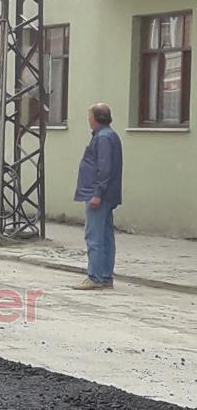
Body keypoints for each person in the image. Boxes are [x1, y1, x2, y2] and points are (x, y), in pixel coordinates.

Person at [72, 103, 123, 291]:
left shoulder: (102, 138)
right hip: (108, 194)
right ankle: (106, 276)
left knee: (94, 236)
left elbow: (104, 168)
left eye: (90, 117)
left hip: (98, 195)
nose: (88, 120)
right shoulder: (110, 136)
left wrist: (97, 194)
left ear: (96, 118)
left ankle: (95, 276)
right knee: (106, 236)